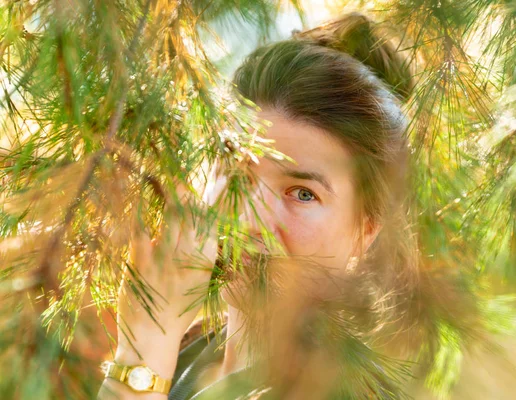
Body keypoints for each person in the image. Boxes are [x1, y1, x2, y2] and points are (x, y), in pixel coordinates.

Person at [97, 12, 417, 400]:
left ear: (366, 230)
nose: (249, 218)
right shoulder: (188, 353)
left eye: (302, 193)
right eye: (238, 174)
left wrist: (143, 349)